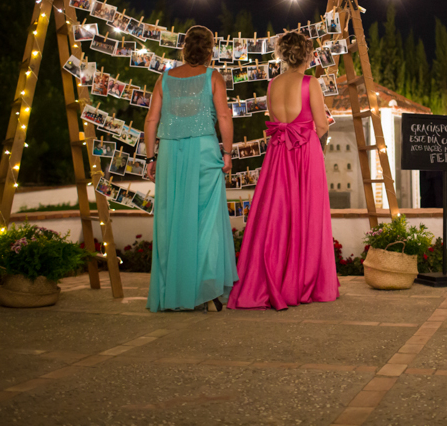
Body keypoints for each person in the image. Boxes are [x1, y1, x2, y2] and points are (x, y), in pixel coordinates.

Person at [229, 31, 339, 310]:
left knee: (276, 216)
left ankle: (272, 279)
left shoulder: (272, 84)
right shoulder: (310, 82)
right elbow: (322, 125)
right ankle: (302, 281)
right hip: (304, 153)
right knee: (307, 213)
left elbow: (275, 119)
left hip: (278, 154)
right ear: (308, 54)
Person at [145, 26, 238, 313]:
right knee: (206, 222)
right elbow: (223, 115)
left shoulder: (165, 78)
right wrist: (227, 153)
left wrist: (151, 158)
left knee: (171, 220)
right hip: (203, 153)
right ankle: (206, 291)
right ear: (210, 50)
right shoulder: (214, 77)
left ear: (184, 48)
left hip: (170, 154)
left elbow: (151, 120)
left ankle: (172, 290)